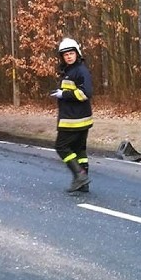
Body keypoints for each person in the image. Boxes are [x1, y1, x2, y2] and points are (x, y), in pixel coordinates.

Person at [50, 38, 93, 192]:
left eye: (71, 53)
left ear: (77, 54)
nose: (68, 56)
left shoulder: (80, 70)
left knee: (61, 147)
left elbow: (86, 93)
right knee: (79, 149)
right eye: (65, 54)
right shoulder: (69, 70)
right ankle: (84, 183)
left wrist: (64, 95)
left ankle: (80, 175)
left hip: (73, 119)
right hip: (80, 118)